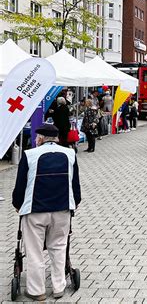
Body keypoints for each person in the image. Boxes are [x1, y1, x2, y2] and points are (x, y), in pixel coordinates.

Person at [12, 123, 81, 301]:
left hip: (35, 210)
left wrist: (17, 204)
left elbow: (21, 184)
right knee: (59, 247)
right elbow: (75, 184)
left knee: (34, 251)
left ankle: (37, 291)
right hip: (62, 209)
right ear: (57, 138)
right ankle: (58, 288)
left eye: (37, 138)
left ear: (40, 138)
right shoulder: (70, 154)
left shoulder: (29, 155)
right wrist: (75, 203)